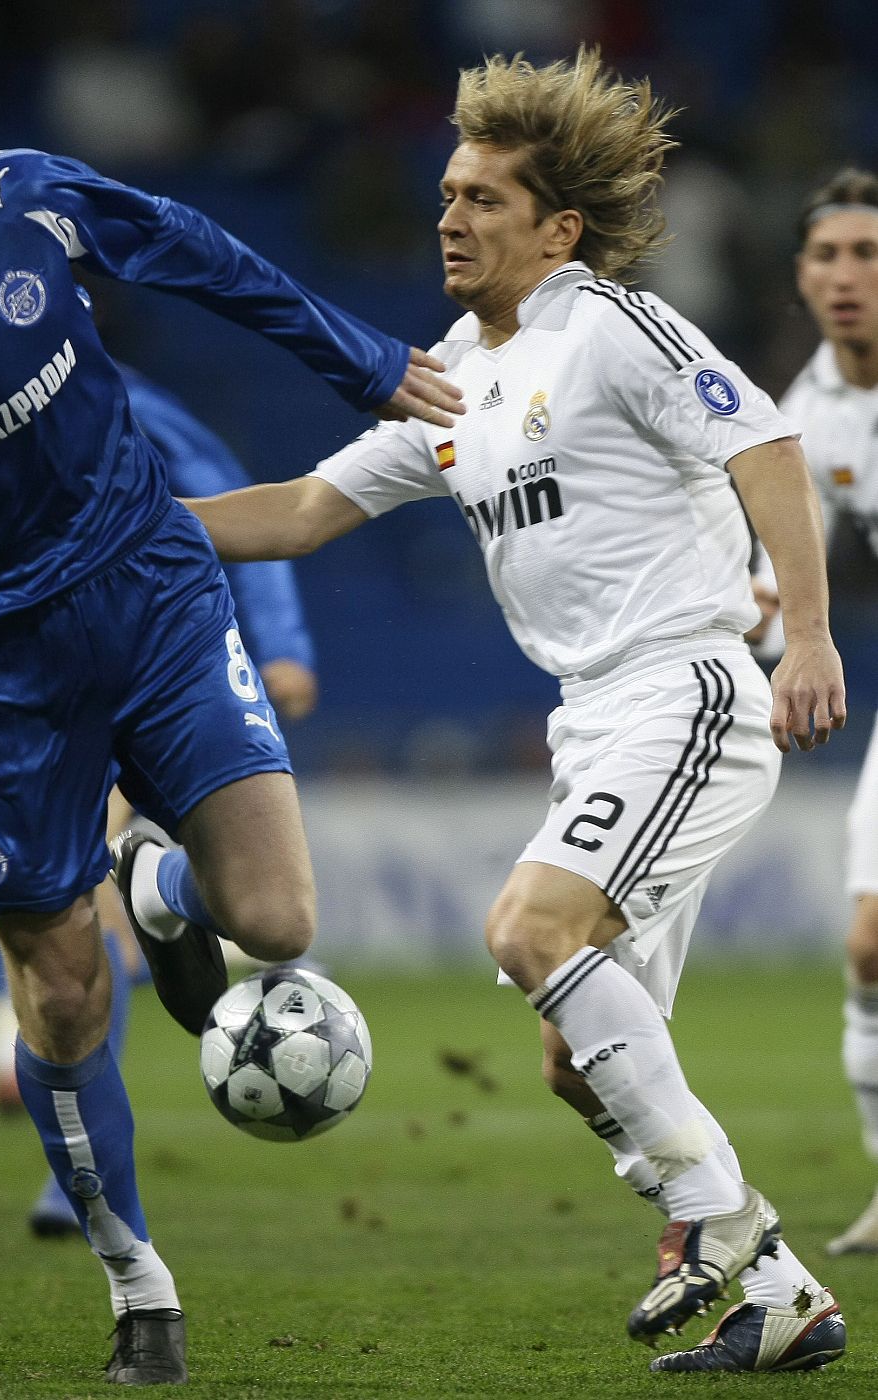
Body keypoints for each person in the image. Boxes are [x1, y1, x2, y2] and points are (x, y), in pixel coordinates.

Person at [0, 95, 461, 1388]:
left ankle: (161, 886)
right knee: (64, 991)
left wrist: (355, 357)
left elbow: (192, 248)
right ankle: (138, 1283)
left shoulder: (17, 199)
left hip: (152, 593)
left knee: (280, 921)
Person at [184, 49, 849, 1375]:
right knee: (570, 1057)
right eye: (446, 192)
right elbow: (307, 510)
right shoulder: (448, 374)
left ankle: (713, 1216)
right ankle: (782, 1296)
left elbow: (763, 444)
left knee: (528, 927)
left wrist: (809, 637)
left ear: (557, 227)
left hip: (689, 692)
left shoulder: (608, 326)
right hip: (594, 720)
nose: (449, 216)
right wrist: (107, 531)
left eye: (485, 198)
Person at [23, 359, 320, 1237]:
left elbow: (225, 488)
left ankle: (166, 895)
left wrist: (286, 641)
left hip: (166, 659)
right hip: (38, 677)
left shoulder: (118, 398)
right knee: (70, 935)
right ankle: (82, 1174)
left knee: (231, 917)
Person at [751, 168, 878, 1257]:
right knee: (873, 945)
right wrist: (758, 623)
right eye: (826, 257)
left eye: (866, 255)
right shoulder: (805, 410)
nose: (845, 276)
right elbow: (772, 569)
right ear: (799, 276)